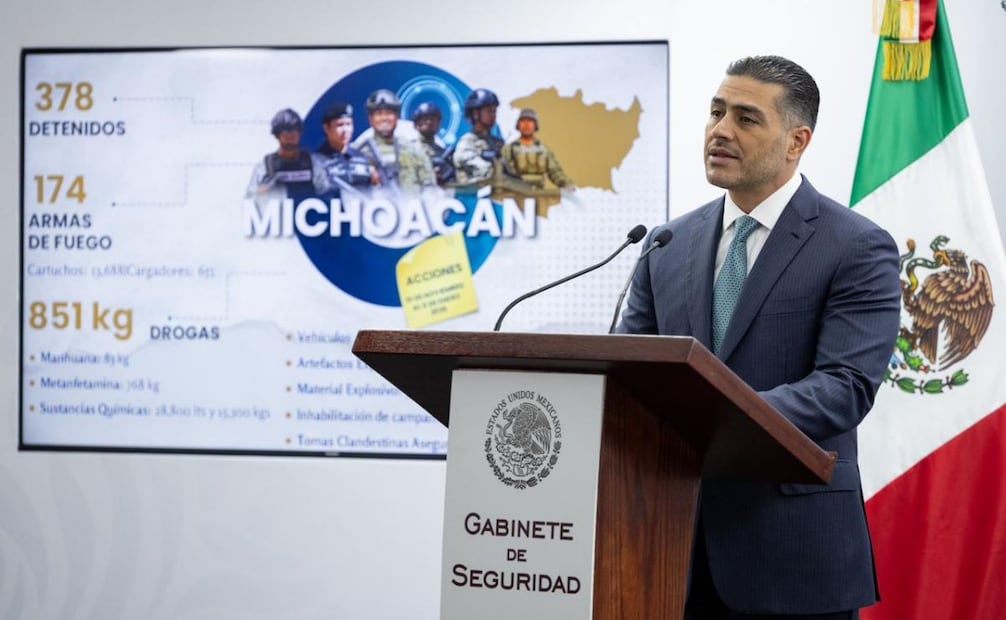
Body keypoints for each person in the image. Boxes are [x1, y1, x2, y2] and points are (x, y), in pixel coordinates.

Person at [617, 55, 901, 619]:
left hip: (792, 553)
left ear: (797, 141)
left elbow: (845, 386)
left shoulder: (857, 246)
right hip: (664, 550)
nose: (720, 130)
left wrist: (709, 415)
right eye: (716, 112)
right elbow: (634, 373)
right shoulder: (666, 244)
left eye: (747, 118)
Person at [351, 89, 435, 195]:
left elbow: (430, 187)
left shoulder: (414, 150)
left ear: (397, 117)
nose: (384, 118)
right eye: (378, 114)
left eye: (389, 113)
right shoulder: (357, 152)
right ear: (370, 119)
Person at [246, 108, 331, 204]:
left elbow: (327, 193)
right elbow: (249, 200)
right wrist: (261, 194)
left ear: (299, 134)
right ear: (277, 135)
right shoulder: (265, 166)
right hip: (278, 216)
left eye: (293, 133)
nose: (290, 138)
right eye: (285, 133)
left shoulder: (312, 163)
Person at [501, 108, 574, 190]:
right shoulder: (509, 149)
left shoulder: (543, 150)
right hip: (515, 194)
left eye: (530, 121)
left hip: (539, 194)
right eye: (523, 121)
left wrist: (566, 184)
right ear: (518, 124)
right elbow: (500, 172)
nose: (526, 125)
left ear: (535, 125)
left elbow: (555, 172)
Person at [316, 102, 376, 197]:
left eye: (348, 124)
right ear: (326, 128)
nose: (345, 130)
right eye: (340, 125)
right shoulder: (317, 161)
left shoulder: (362, 159)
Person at [452, 88, 504, 184]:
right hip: (474, 194)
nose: (493, 116)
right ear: (475, 114)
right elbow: (482, 168)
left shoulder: (498, 143)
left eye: (494, 112)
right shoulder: (467, 142)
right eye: (489, 111)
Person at [411, 102, 455, 185]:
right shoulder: (409, 148)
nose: (429, 122)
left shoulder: (442, 151)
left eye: (434, 119)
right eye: (425, 119)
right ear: (417, 124)